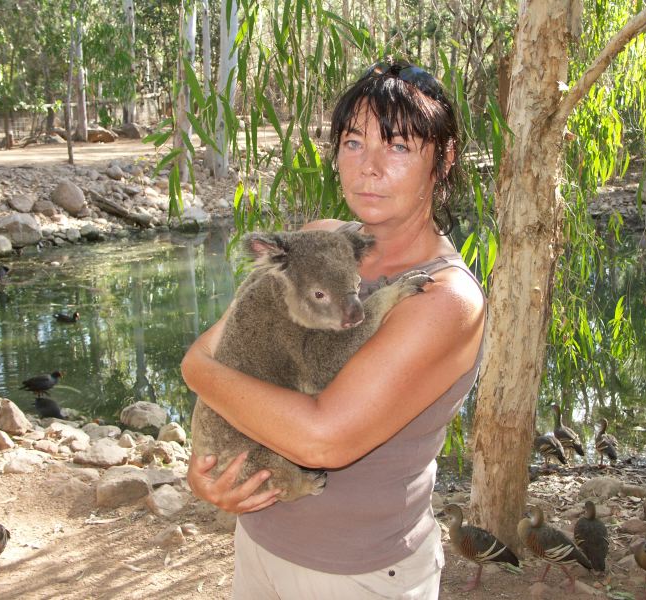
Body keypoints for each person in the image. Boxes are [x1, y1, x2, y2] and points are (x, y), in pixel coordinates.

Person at [181, 59, 486, 599]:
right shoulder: (319, 239)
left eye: (397, 147)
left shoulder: (445, 299)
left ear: (442, 161)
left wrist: (195, 371)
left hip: (358, 574)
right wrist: (208, 466)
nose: (368, 166)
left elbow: (322, 439)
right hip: (260, 540)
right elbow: (222, 348)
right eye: (352, 142)